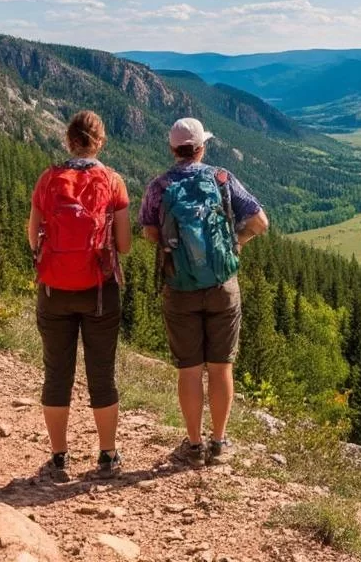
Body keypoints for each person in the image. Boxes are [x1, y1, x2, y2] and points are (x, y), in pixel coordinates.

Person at [139, 117, 269, 466]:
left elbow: (149, 232)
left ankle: (193, 446)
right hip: (222, 286)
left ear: (172, 149)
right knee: (222, 366)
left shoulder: (160, 186)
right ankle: (219, 443)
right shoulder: (222, 178)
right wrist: (237, 242)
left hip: (179, 287)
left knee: (190, 369)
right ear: (201, 148)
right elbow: (260, 221)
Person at [27, 111, 132, 480]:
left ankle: (58, 459)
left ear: (68, 140)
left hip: (54, 291)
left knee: (57, 374)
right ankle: (107, 457)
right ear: (99, 142)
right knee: (101, 374)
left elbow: (32, 236)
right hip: (100, 291)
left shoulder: (48, 178)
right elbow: (124, 244)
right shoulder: (113, 181)